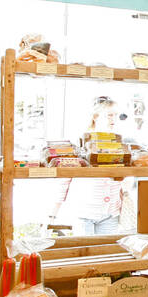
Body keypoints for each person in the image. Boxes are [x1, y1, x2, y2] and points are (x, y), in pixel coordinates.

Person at [52, 95, 124, 235]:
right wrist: (54, 211)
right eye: (109, 115)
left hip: (111, 213)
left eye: (116, 115)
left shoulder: (120, 142)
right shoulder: (81, 143)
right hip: (83, 212)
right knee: (84, 252)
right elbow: (66, 178)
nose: (113, 119)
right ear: (96, 116)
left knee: (106, 253)